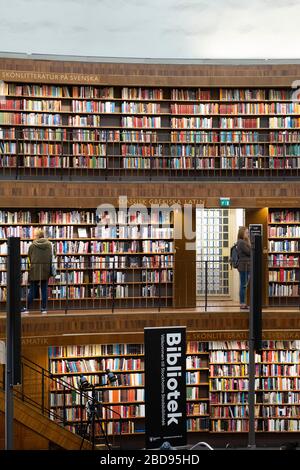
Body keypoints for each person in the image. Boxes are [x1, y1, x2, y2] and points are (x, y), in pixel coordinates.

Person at [22, 228, 53, 315]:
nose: (34, 237)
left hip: (35, 270)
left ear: (37, 236)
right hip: (45, 269)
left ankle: (27, 308)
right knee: (44, 289)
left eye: (35, 235)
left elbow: (29, 258)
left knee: (32, 289)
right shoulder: (49, 245)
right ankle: (44, 308)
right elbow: (51, 256)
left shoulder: (32, 246)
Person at [236, 226, 251, 310]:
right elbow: (250, 252)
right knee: (243, 285)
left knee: (244, 285)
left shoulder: (244, 242)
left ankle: (244, 303)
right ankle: (242, 304)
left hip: (246, 266)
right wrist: (250, 245)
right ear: (242, 233)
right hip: (244, 266)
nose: (248, 234)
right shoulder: (241, 242)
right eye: (246, 232)